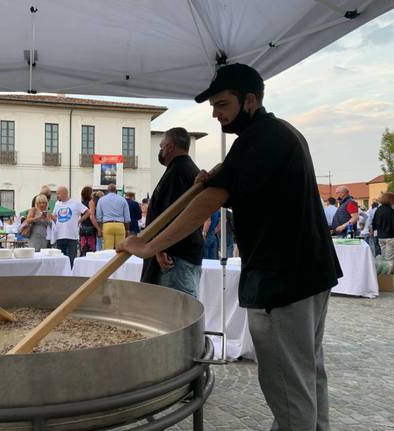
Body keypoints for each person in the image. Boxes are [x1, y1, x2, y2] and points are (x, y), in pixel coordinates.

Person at [117, 63, 341, 431]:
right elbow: (258, 194)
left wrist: (149, 244)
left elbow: (206, 205)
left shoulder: (258, 139)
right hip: (311, 274)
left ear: (249, 100)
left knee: (288, 387)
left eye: (222, 104)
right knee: (308, 374)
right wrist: (217, 179)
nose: (215, 114)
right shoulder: (281, 133)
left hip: (282, 281)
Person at [140, 127, 204, 298]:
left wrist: (159, 249)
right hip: (181, 254)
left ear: (169, 147)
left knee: (176, 312)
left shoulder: (178, 172)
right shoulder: (186, 170)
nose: (160, 151)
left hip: (174, 258)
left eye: (161, 146)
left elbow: (171, 215)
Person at [52, 186, 88, 266]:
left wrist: (79, 221)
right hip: (60, 235)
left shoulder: (76, 203)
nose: (57, 195)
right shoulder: (57, 204)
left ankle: (71, 276)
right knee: (61, 260)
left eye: (58, 193)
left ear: (65, 193)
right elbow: (54, 216)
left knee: (71, 260)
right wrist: (55, 220)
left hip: (72, 236)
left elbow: (87, 212)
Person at [96, 183, 130, 249]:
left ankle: (109, 259)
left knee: (108, 249)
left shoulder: (101, 200)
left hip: (107, 225)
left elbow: (99, 217)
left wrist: (100, 229)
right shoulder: (123, 199)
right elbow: (127, 218)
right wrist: (127, 230)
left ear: (107, 190)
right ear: (116, 190)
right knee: (120, 249)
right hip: (120, 225)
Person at [372, 192, 394, 261]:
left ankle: (384, 271)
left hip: (381, 236)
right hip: (390, 236)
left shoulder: (378, 210)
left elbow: (374, 223)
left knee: (384, 257)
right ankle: (388, 271)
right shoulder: (391, 211)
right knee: (389, 259)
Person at [79, 186, 99, 255]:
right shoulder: (91, 202)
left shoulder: (81, 203)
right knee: (91, 251)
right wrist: (98, 228)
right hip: (90, 227)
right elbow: (91, 217)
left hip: (82, 227)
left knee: (83, 248)